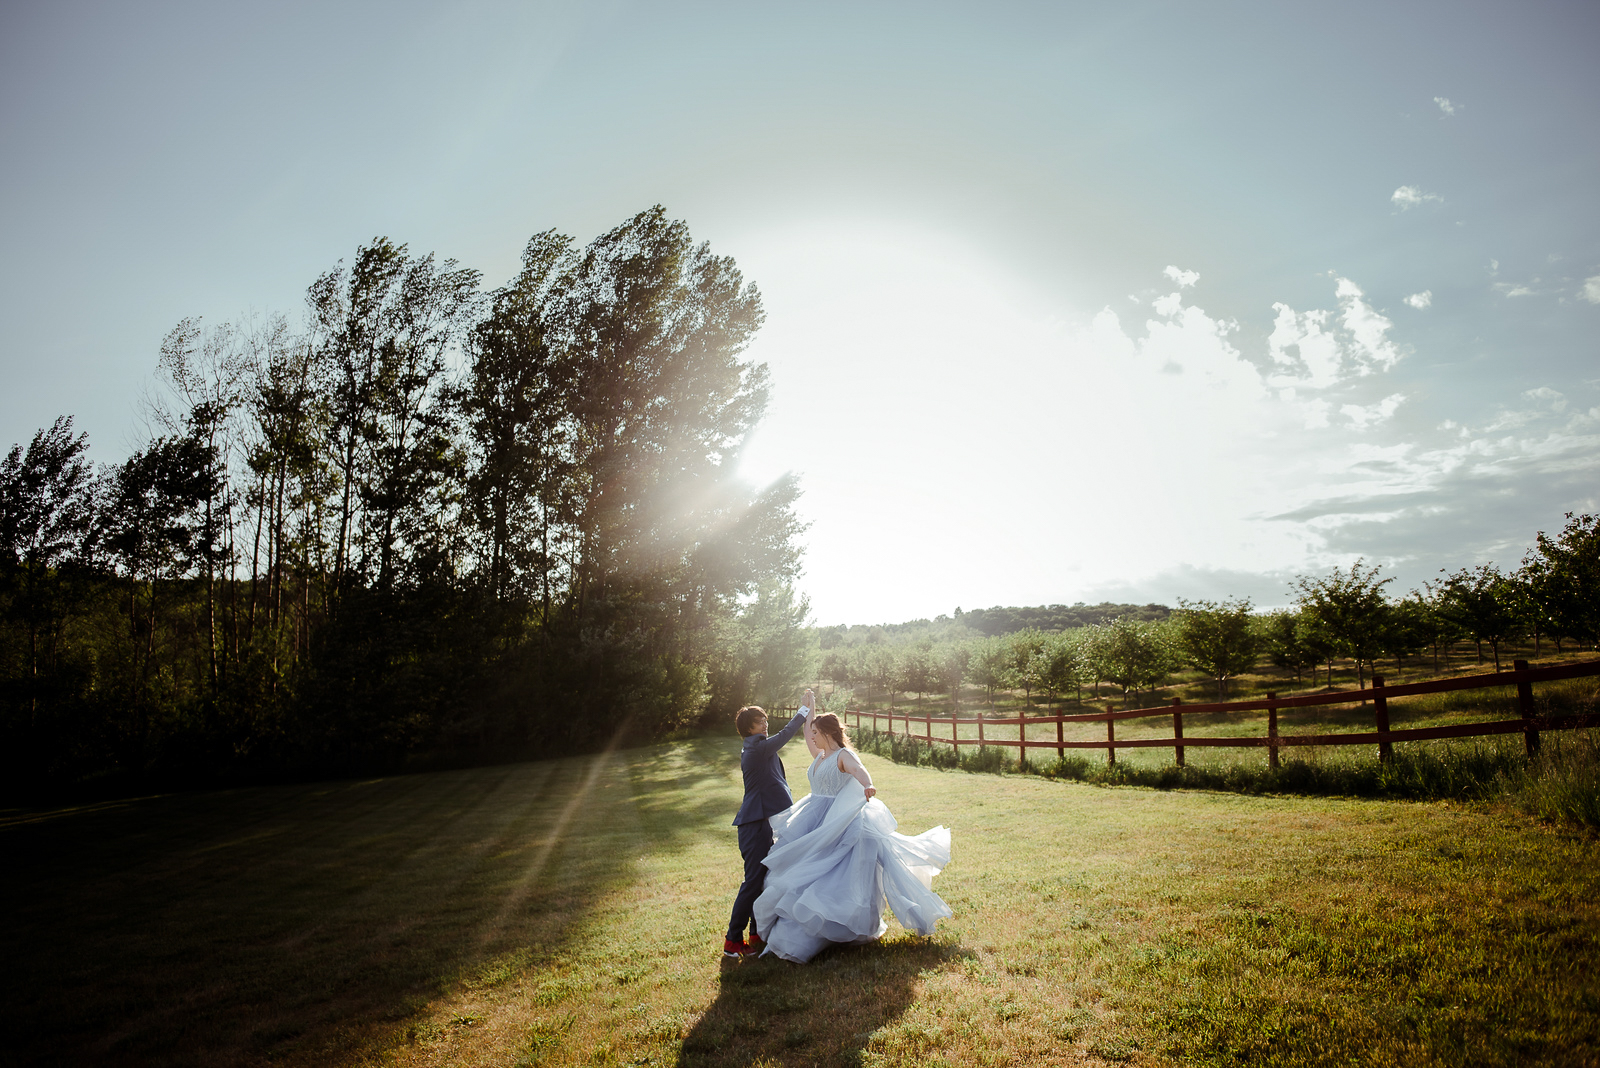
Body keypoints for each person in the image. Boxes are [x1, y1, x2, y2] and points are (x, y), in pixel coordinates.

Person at [751, 708, 952, 963]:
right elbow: (806, 731)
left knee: (832, 876)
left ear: (825, 733)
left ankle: (828, 928)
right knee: (801, 871)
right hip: (812, 821)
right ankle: (797, 930)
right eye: (811, 733)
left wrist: (868, 784)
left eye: (815, 733)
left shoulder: (843, 755)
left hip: (838, 821)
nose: (811, 737)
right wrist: (809, 706)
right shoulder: (820, 756)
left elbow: (859, 770)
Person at [725, 691, 816, 959]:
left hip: (765, 822)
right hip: (754, 824)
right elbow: (785, 735)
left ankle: (756, 934)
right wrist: (802, 711)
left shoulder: (759, 746)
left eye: (765, 719)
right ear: (748, 728)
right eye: (759, 721)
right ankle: (733, 940)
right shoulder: (755, 747)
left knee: (763, 880)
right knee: (753, 882)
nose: (765, 724)